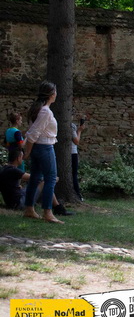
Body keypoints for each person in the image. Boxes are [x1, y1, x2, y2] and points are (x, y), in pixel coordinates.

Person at [22, 80, 63, 223]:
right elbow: (33, 133)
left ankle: (29, 209)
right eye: (55, 92)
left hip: (38, 148)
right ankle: (47, 212)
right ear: (51, 94)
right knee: (50, 179)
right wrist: (27, 152)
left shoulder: (38, 109)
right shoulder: (45, 111)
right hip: (44, 147)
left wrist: (29, 150)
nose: (56, 94)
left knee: (35, 178)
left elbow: (31, 132)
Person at [0, 148, 72, 216]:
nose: (23, 159)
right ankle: (57, 208)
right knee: (44, 182)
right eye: (22, 157)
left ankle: (55, 206)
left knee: (38, 183)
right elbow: (34, 178)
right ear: (18, 158)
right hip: (19, 203)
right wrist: (52, 179)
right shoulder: (13, 170)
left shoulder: (5, 168)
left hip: (13, 201)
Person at [71, 115, 86, 201]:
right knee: (74, 175)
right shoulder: (71, 126)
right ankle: (77, 194)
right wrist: (79, 131)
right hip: (72, 152)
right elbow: (76, 141)